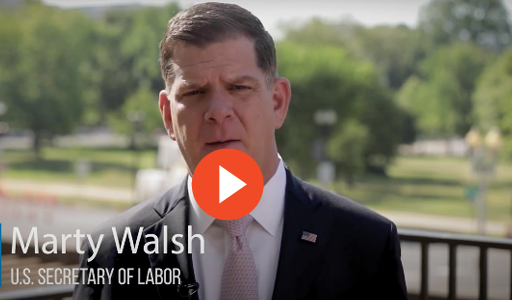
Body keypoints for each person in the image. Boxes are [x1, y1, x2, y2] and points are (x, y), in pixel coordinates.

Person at [72, 2, 408, 300]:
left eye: (238, 88)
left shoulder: (365, 244)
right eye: (194, 93)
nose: (218, 111)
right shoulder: (112, 251)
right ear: (167, 116)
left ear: (277, 102)